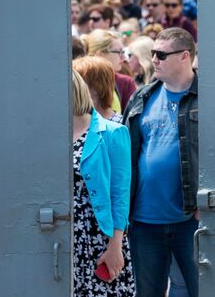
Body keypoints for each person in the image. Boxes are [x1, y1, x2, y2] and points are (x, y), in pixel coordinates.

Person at [122, 27, 199, 297]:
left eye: (161, 54)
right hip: (144, 222)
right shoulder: (141, 97)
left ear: (184, 56)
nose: (153, 59)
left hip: (189, 220)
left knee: (202, 289)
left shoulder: (207, 99)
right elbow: (125, 158)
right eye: (153, 53)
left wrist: (203, 208)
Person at [71, 70, 136, 296]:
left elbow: (120, 194)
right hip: (59, 235)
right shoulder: (47, 134)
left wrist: (115, 246)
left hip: (97, 236)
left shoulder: (113, 132)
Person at [81, 28, 137, 113]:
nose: (124, 57)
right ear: (100, 54)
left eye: (123, 52)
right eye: (119, 52)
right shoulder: (79, 81)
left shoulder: (125, 83)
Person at [73, 56, 123, 122]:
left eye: (79, 83)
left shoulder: (120, 125)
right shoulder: (76, 123)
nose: (75, 87)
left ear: (96, 87)